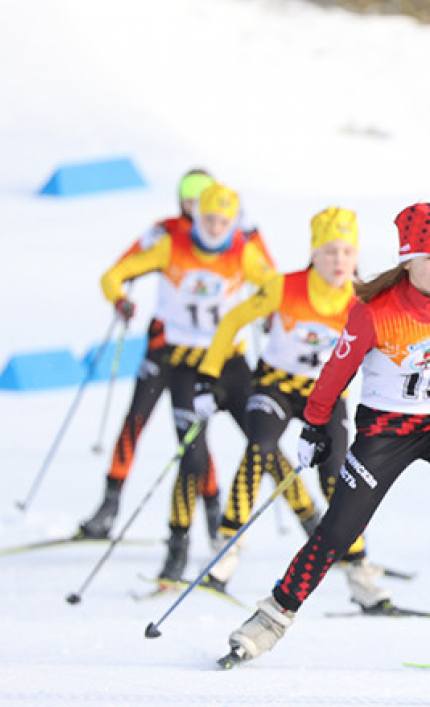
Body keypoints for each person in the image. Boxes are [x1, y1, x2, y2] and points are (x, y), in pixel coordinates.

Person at [224, 202, 430, 666]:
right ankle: (269, 620)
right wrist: (316, 424)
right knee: (338, 530)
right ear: (407, 260)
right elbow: (336, 371)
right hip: (387, 430)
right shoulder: (374, 310)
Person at [97, 182, 317, 581]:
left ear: (234, 222)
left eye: (223, 221)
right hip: (184, 366)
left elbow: (276, 287)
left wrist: (273, 312)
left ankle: (313, 524)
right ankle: (177, 549)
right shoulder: (171, 246)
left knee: (264, 444)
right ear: (196, 218)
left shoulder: (242, 251)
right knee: (192, 457)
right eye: (209, 219)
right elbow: (115, 275)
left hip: (229, 366)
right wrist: (120, 299)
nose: (215, 228)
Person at [193, 207, 390, 607]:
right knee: (259, 448)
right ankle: (226, 548)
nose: (339, 261)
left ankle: (359, 570)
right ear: (314, 254)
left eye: (347, 253)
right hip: (276, 386)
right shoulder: (285, 287)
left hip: (326, 396)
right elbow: (232, 320)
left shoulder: (362, 299)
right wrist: (208, 376)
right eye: (330, 251)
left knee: (337, 477)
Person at [76, 169, 227, 540]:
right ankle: (108, 507)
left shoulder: (231, 240)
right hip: (161, 348)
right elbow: (117, 272)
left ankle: (213, 512)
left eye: (203, 200)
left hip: (201, 357)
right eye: (189, 198)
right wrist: (120, 300)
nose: (196, 208)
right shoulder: (166, 233)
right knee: (135, 420)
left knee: (193, 435)